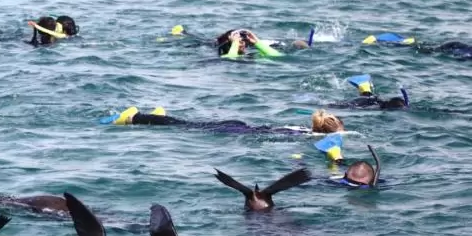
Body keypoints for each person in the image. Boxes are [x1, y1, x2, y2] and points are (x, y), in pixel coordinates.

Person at [104, 106, 344, 135]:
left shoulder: (303, 130)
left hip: (239, 126)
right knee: (186, 127)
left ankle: (154, 117)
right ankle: (135, 118)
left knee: (187, 124)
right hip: (235, 130)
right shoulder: (305, 136)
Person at [328, 75, 408, 110]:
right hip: (358, 102)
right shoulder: (377, 108)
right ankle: (364, 87)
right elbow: (359, 107)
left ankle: (365, 86)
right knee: (333, 105)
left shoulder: (382, 103)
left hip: (368, 98)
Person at [215, 29, 284, 59]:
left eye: (243, 40)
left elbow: (277, 55)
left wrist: (256, 42)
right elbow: (231, 58)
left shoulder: (251, 56)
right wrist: (235, 43)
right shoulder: (223, 57)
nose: (242, 42)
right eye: (238, 40)